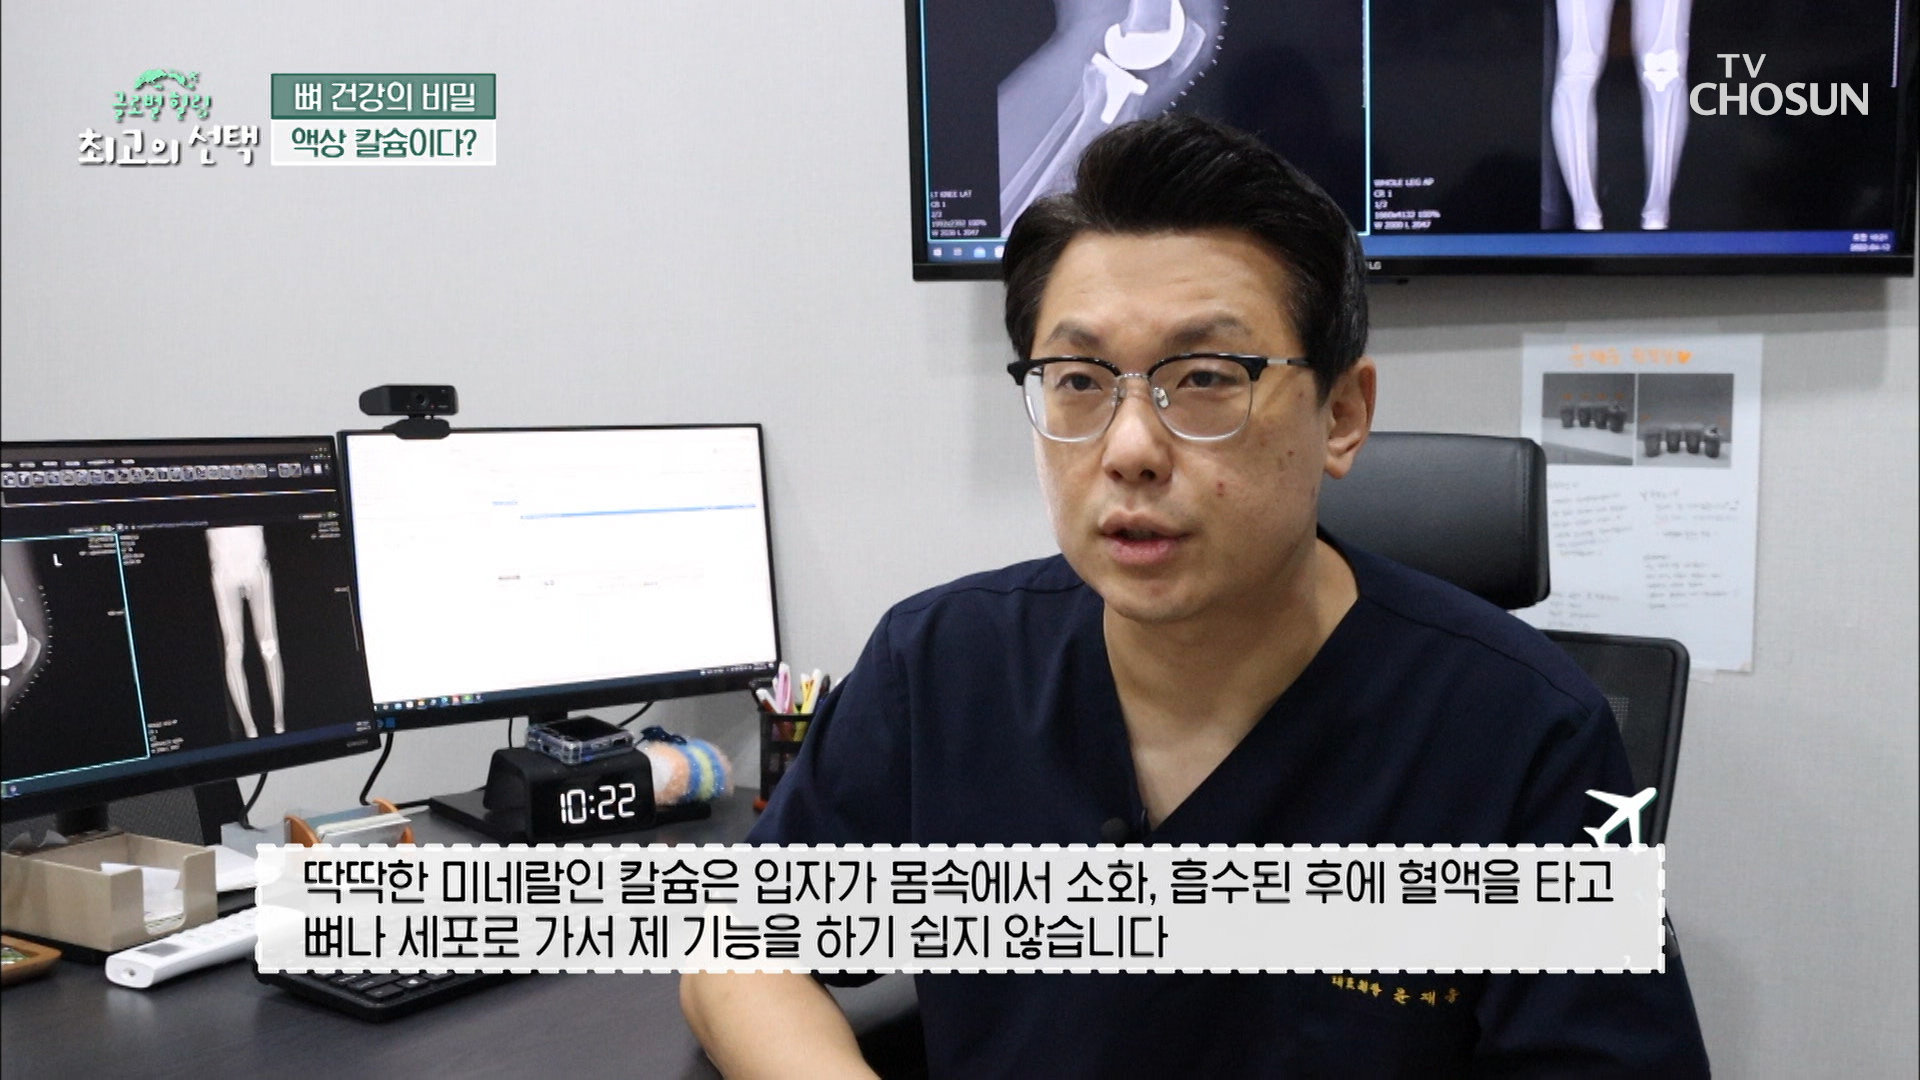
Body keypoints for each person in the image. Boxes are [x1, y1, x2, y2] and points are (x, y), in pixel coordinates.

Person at [681, 114, 1710, 1077]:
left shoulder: (1523, 734)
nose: (1129, 447)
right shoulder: (943, 664)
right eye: (1079, 380)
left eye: (1207, 377)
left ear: (1342, 415)